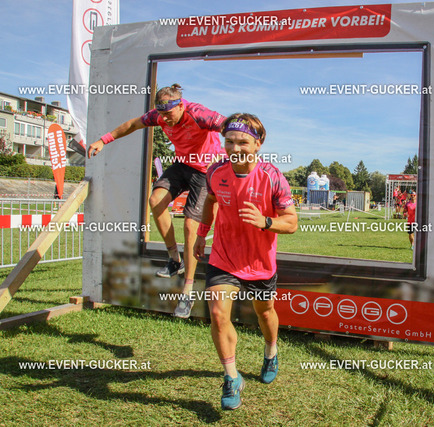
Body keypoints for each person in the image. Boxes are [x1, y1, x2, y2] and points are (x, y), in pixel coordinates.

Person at [87, 84, 226, 318]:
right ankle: (174, 259)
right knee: (156, 200)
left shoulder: (199, 113)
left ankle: (188, 291)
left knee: (190, 226)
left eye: (169, 114)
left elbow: (229, 126)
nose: (165, 120)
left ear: (180, 106)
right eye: (162, 115)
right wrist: (104, 139)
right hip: (183, 164)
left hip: (205, 170)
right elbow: (133, 124)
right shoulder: (159, 116)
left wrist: (239, 151)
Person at [194, 113, 297, 410]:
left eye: (242, 142)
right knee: (217, 314)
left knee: (265, 314)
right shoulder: (215, 171)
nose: (235, 148)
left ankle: (270, 352)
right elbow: (211, 200)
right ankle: (231, 377)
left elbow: (291, 222)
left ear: (257, 144)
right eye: (229, 141)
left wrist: (265, 221)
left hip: (259, 261)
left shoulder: (272, 176)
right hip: (224, 256)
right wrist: (202, 233)